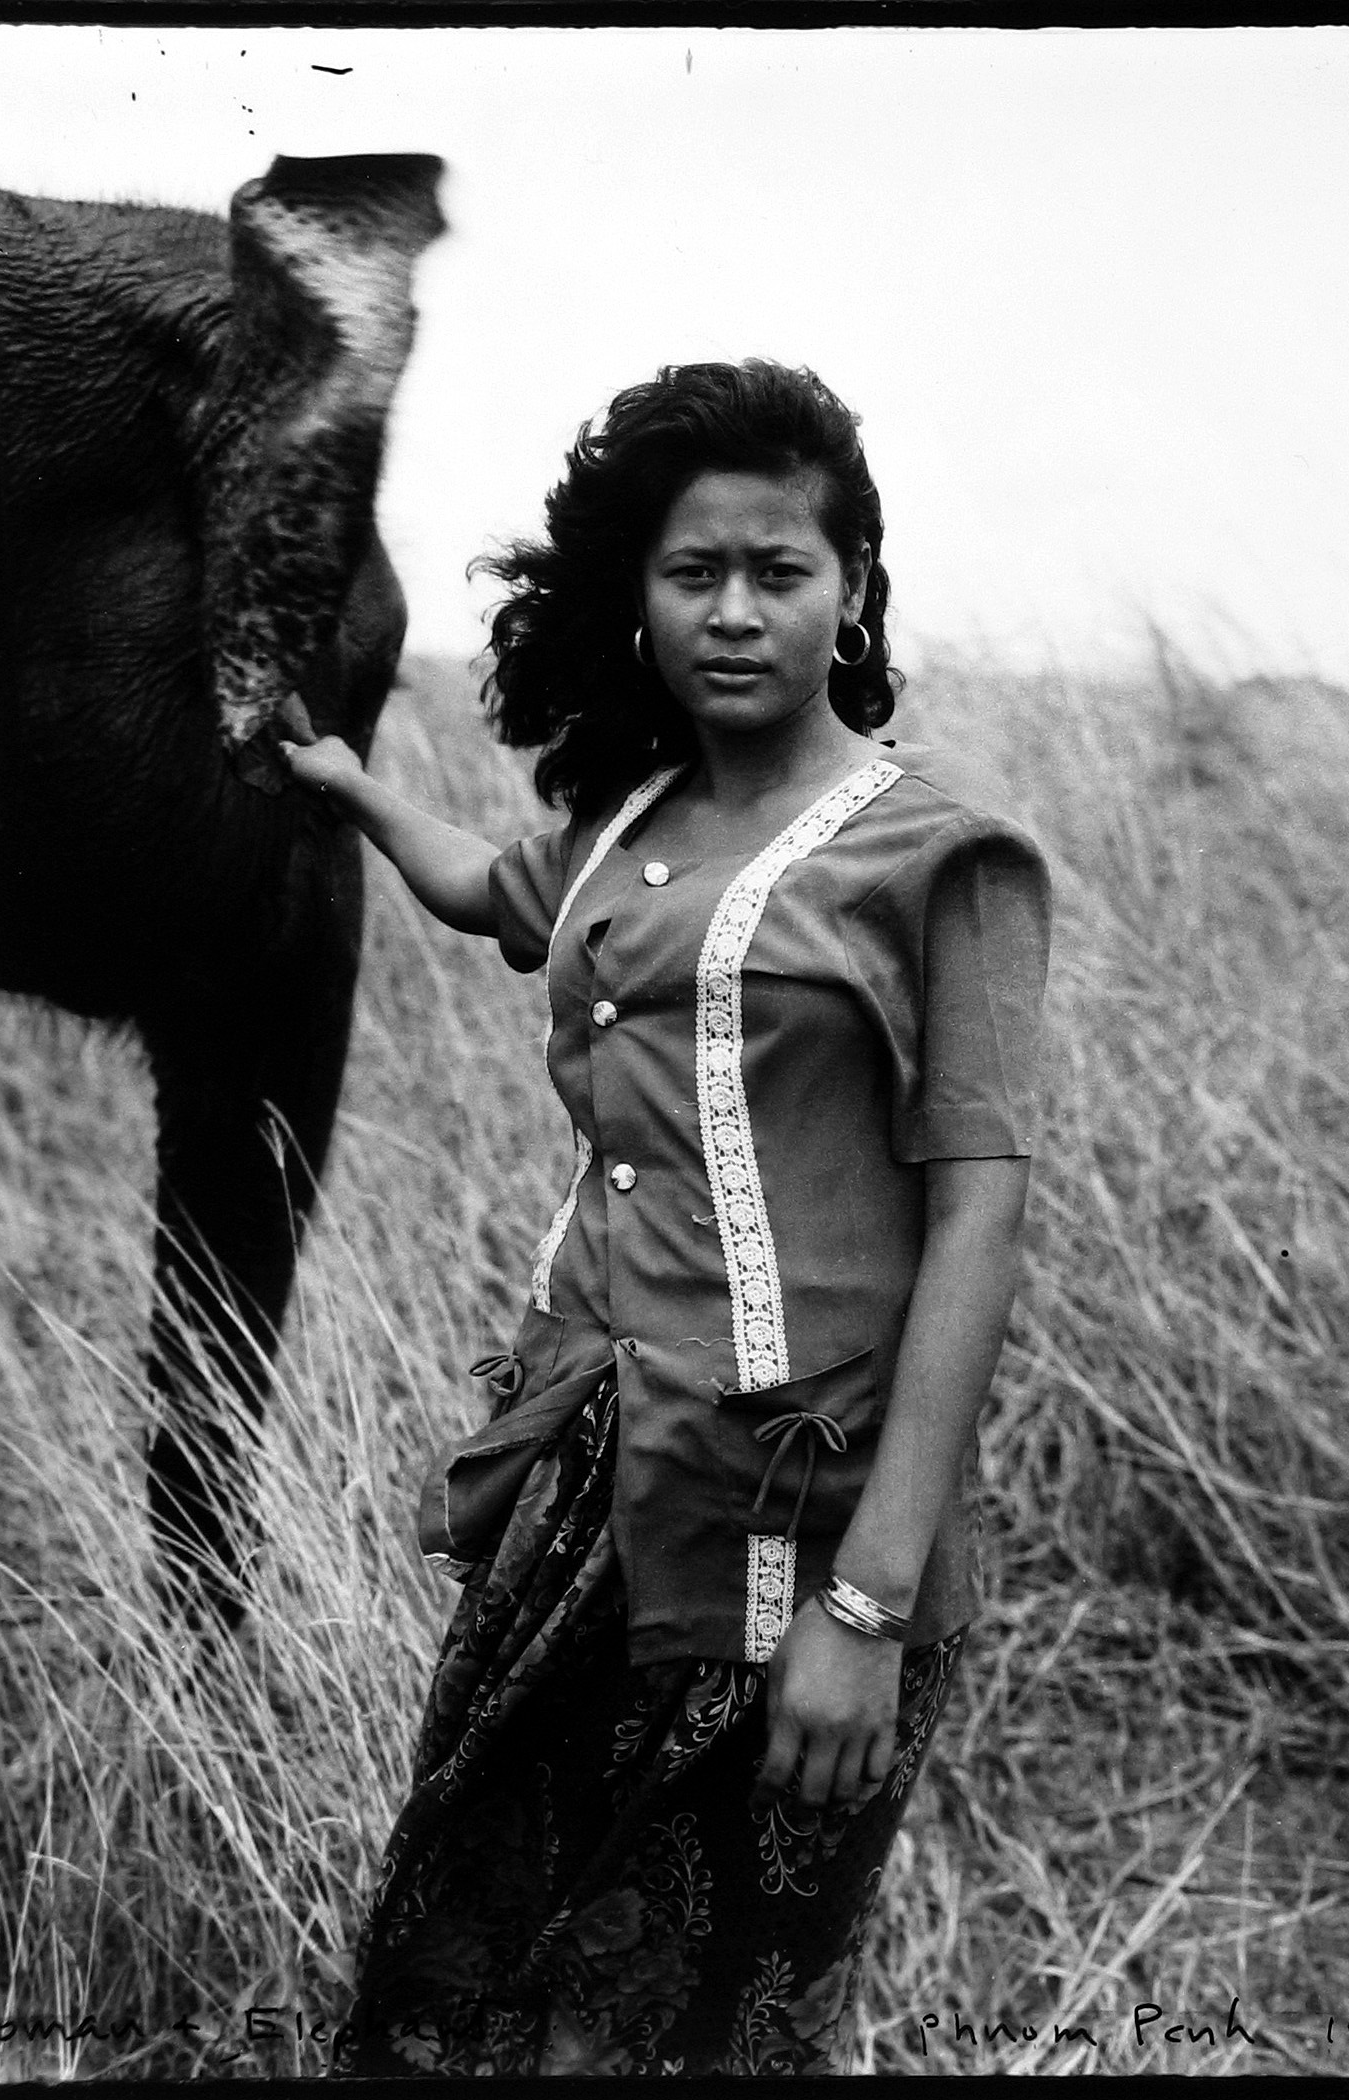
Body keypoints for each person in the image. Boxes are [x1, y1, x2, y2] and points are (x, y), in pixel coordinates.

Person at [282, 359, 1051, 2076]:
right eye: (691, 572)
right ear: (634, 595)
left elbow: (977, 1231)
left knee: (720, 2011)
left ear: (850, 588)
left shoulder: (944, 860)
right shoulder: (630, 821)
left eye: (779, 571)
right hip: (582, 1485)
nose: (733, 612)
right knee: (460, 1958)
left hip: (804, 1520)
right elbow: (497, 892)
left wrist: (864, 1610)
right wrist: (350, 787)